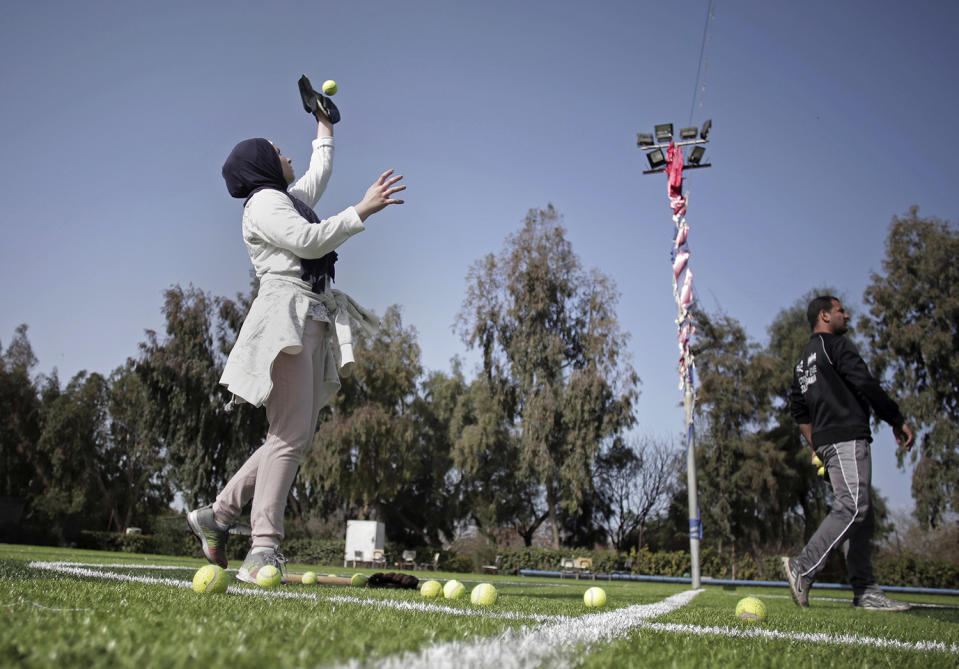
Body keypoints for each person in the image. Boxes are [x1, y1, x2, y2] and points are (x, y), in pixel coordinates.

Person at [187, 103, 405, 584]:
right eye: (279, 152)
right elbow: (309, 241)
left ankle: (218, 516)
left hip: (308, 315)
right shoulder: (265, 204)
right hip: (288, 315)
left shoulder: (282, 199)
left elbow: (318, 174)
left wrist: (324, 125)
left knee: (291, 435)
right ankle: (262, 549)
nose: (287, 157)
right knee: (289, 435)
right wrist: (362, 209)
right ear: (262, 166)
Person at [783, 296, 914, 610]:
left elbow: (800, 414)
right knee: (854, 507)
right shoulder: (836, 347)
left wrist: (817, 447)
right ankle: (803, 566)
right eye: (841, 310)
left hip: (829, 442)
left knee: (862, 514)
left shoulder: (803, 363)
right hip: (845, 438)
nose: (847, 314)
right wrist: (896, 419)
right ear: (825, 315)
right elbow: (866, 384)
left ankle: (865, 589)